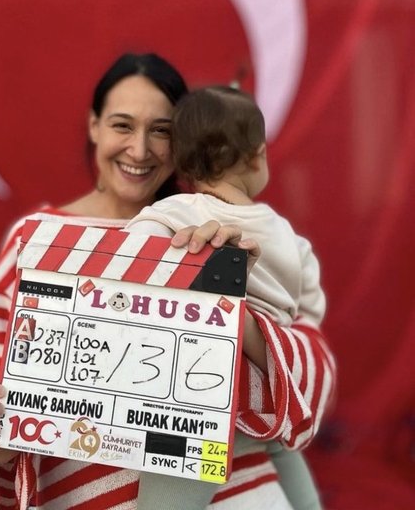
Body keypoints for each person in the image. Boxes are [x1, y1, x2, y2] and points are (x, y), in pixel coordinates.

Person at [0, 53, 264, 510]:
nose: (139, 150)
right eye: (122, 125)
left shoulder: (210, 236)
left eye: (161, 131)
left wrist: (232, 283)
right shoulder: (35, 239)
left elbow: (264, 389)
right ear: (94, 126)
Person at [127, 85, 332, 509]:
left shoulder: (174, 215)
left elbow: (132, 263)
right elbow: (310, 309)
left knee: (170, 493)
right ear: (257, 156)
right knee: (288, 460)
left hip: (201, 393)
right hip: (271, 393)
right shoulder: (290, 238)